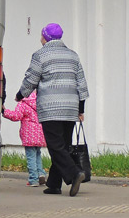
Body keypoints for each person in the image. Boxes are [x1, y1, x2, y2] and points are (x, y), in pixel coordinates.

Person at [15, 23, 89, 196]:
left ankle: (74, 173)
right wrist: (80, 109)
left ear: (45, 36)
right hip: (70, 108)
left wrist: (20, 95)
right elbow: (82, 84)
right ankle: (54, 185)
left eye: (41, 35)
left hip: (51, 108)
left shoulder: (40, 55)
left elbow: (31, 79)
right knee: (62, 145)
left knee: (55, 146)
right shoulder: (73, 55)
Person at [2, 91, 47, 186]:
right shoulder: (40, 103)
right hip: (40, 134)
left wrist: (4, 111)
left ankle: (33, 179)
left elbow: (16, 116)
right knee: (38, 155)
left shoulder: (23, 104)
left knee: (31, 157)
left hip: (29, 135)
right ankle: (41, 174)